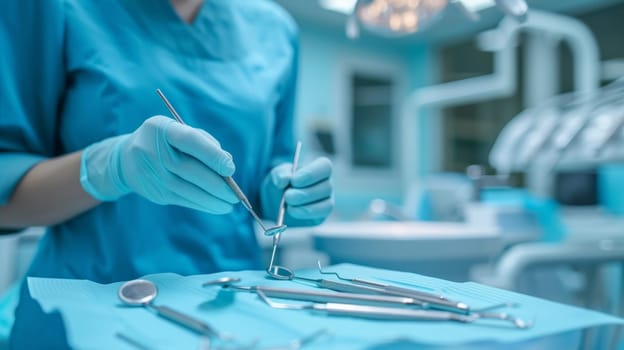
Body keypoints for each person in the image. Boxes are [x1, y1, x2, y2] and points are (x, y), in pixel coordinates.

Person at [0, 0, 333, 345]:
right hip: (87, 313)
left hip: (230, 312)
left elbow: (270, 167)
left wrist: (285, 193)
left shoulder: (274, 30)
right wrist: (110, 167)